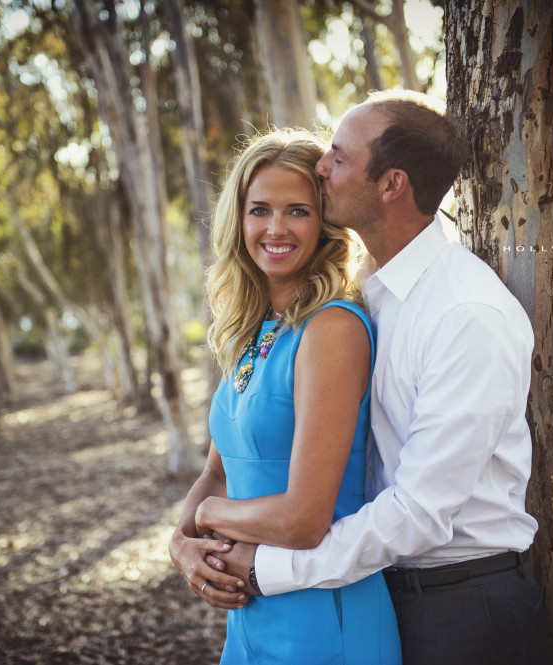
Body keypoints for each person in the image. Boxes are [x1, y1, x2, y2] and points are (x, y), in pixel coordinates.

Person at [201, 91, 548, 664]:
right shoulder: (369, 290)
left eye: (337, 157)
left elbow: (418, 513)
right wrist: (193, 545)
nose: (320, 166)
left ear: (391, 185)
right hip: (376, 586)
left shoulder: (466, 313)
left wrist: (272, 568)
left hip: (459, 607)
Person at [168, 129, 401, 664]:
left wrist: (208, 517)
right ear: (239, 219)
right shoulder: (251, 331)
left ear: (324, 222)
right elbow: (217, 472)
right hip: (251, 621)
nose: (276, 229)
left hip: (323, 619)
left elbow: (304, 518)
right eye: (259, 210)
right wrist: (182, 543)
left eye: (297, 211)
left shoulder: (332, 329)